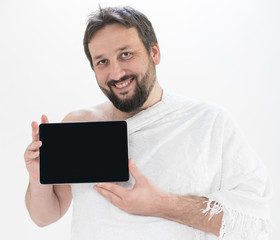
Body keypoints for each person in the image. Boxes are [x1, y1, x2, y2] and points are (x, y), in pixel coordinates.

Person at [24, 6, 272, 240]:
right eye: (102, 62)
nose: (116, 73)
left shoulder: (208, 122)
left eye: (126, 54)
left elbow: (254, 219)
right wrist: (37, 177)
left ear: (154, 53)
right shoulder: (77, 125)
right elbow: (45, 217)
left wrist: (163, 205)